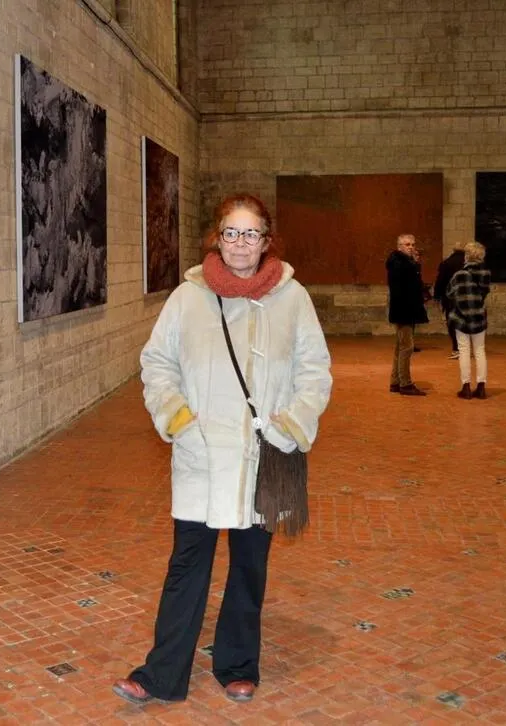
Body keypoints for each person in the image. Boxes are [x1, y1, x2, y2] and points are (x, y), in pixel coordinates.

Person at [112, 194, 333, 706]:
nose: (239, 244)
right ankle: (162, 673)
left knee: (249, 567)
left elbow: (315, 371)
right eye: (231, 233)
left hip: (266, 455)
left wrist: (291, 425)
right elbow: (157, 363)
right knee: (187, 565)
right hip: (202, 455)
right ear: (217, 238)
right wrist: (178, 420)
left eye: (250, 234)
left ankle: (238, 664)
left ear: (266, 240)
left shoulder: (292, 297)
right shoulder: (187, 298)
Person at [447, 242, 492, 399]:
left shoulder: (459, 274)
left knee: (464, 351)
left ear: (467, 255)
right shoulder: (486, 273)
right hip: (479, 316)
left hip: (461, 318)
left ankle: (465, 387)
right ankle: (481, 387)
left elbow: (450, 293)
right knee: (480, 351)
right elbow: (484, 293)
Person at [385, 234, 429, 395]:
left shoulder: (405, 263)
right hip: (403, 310)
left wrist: (415, 264)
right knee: (407, 348)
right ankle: (405, 383)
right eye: (407, 244)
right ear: (399, 247)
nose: (411, 247)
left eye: (412, 244)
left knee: (400, 347)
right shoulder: (399, 263)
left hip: (406, 309)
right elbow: (407, 286)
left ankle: (395, 382)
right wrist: (415, 265)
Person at [434, 243, 467, 359]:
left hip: (450, 298)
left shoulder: (446, 263)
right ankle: (465, 348)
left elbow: (440, 280)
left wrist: (437, 295)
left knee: (452, 323)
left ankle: (456, 348)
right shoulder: (468, 263)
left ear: (453, 250)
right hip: (467, 299)